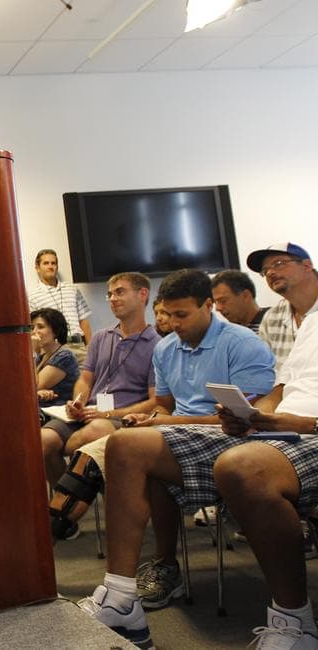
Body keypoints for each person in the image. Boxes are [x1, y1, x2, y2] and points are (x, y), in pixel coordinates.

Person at [75, 269, 276, 649]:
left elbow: (249, 418)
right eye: (168, 314)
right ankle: (136, 582)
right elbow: (165, 404)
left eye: (183, 315)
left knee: (126, 447)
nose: (173, 324)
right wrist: (157, 418)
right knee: (132, 453)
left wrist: (165, 421)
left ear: (208, 305)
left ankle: (127, 589)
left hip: (235, 438)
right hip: (179, 434)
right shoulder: (167, 349)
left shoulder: (242, 343)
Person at [213, 312, 318, 648]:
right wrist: (257, 415)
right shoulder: (312, 323)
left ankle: (293, 621)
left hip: (310, 430)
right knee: (129, 444)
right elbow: (282, 387)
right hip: (285, 427)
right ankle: (121, 595)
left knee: (243, 467)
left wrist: (308, 424)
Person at [43, 272, 159, 538]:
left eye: (120, 292)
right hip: (85, 413)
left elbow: (154, 401)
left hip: (120, 417)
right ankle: (67, 512)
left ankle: (68, 509)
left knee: (96, 431)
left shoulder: (156, 345)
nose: (112, 299)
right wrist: (78, 400)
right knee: (43, 440)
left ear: (142, 295)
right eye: (110, 294)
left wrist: (108, 412)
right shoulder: (100, 337)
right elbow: (85, 379)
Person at [251, 243, 318, 372]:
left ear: (307, 265)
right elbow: (266, 370)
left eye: (278, 263)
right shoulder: (272, 317)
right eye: (265, 271)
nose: (270, 273)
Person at [28, 250, 92, 361]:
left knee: (85, 378)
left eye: (53, 263)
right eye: (46, 263)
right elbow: (34, 330)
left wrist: (90, 348)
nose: (50, 266)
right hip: (53, 350)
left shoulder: (72, 289)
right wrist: (37, 355)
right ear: (37, 268)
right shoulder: (31, 296)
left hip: (79, 347)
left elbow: (83, 321)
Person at [31, 308, 79, 408]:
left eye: (40, 327)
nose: (34, 332)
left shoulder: (65, 356)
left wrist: (32, 351)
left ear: (55, 331)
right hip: (41, 410)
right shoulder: (41, 357)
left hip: (58, 412)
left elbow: (34, 387)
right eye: (32, 327)